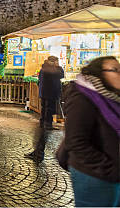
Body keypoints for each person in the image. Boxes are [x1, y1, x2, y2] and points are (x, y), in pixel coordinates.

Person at [56, 56, 119, 207]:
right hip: (92, 176)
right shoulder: (83, 97)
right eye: (115, 70)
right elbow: (76, 142)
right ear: (100, 73)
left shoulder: (111, 98)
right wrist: (110, 169)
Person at [25, 56, 65, 162]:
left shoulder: (44, 69)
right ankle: (38, 154)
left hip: (45, 98)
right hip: (50, 99)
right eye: (57, 61)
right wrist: (57, 66)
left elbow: (40, 81)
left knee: (43, 126)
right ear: (54, 61)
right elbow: (61, 74)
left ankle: (37, 152)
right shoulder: (53, 70)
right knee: (45, 127)